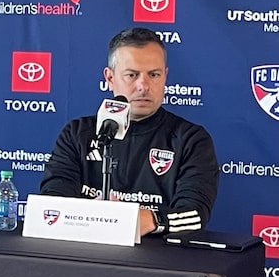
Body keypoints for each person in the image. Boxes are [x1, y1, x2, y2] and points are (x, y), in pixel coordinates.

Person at [39, 27, 219, 235]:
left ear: (165, 77)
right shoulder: (77, 133)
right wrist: (89, 214)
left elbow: (195, 215)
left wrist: (150, 219)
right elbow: (51, 202)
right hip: (85, 254)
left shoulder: (191, 139)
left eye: (154, 75)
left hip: (161, 260)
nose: (143, 85)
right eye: (132, 75)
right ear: (109, 78)